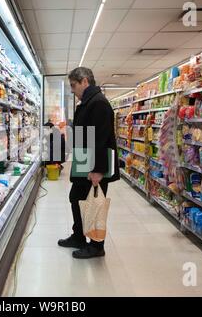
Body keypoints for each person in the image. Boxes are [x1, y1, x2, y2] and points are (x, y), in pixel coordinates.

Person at [58, 67, 120, 259]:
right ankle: (78, 236)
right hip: (84, 159)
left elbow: (101, 138)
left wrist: (98, 170)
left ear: (85, 81)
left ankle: (96, 245)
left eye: (73, 85)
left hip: (94, 164)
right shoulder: (88, 102)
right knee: (76, 197)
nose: (72, 89)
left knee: (94, 203)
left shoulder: (98, 103)